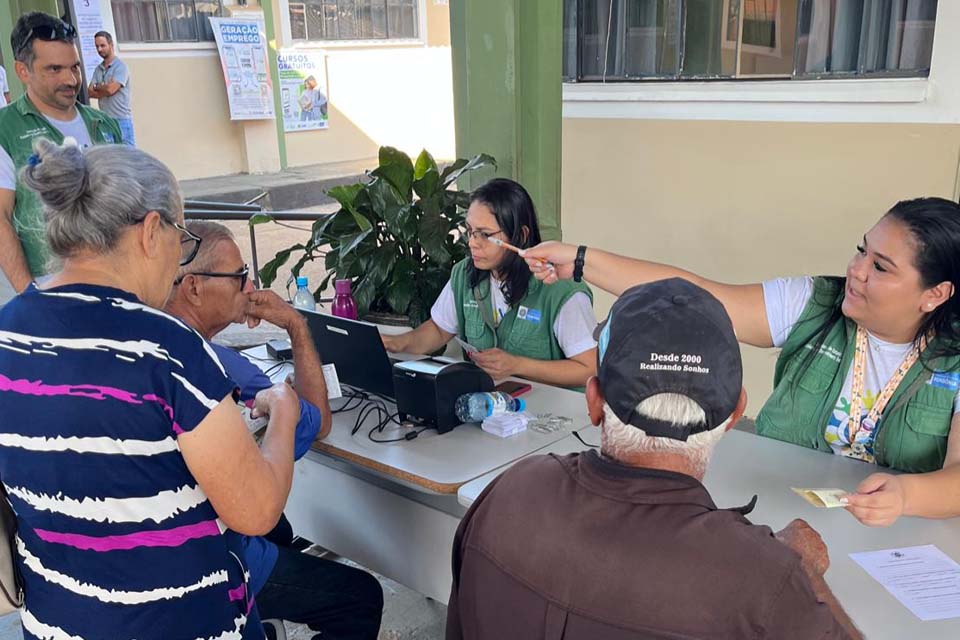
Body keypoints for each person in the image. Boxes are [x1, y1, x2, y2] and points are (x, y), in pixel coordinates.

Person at [0, 139, 299, 638]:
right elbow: (257, 509)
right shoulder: (166, 349)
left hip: (59, 622)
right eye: (180, 237)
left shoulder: (6, 332)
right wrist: (283, 412)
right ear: (151, 230)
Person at [447, 279, 861, 639]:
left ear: (594, 403)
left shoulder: (510, 492)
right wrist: (802, 571)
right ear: (736, 414)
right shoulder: (764, 581)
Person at [523, 197, 960, 527]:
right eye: (861, 251)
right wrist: (582, 260)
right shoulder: (813, 303)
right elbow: (693, 296)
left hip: (892, 539)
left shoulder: (953, 358)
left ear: (934, 294)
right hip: (778, 512)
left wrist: (905, 495)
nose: (856, 270)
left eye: (881, 267)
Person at [165, 221, 384, 640]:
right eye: (240, 276)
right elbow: (318, 418)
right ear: (193, 287)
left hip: (175, 560)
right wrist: (296, 326)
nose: (249, 287)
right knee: (361, 596)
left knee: (281, 530)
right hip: (221, 561)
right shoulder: (222, 366)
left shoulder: (164, 347)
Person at [382, 178, 598, 389]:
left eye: (485, 235)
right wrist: (398, 343)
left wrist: (518, 365)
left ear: (520, 236)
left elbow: (589, 369)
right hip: (487, 409)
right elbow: (439, 330)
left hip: (554, 417)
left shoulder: (560, 288)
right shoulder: (465, 274)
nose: (472, 243)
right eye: (470, 231)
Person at [0, 12, 122, 305]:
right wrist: (30, 295)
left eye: (75, 67)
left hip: (113, 283)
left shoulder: (103, 123)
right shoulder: (6, 129)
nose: (71, 79)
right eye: (54, 69)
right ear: (23, 71)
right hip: (48, 289)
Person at [88, 30, 135, 146]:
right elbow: (90, 92)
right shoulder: (98, 69)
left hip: (121, 121)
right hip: (106, 121)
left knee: (129, 159)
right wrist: (103, 87)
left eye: (102, 45)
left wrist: (99, 88)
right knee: (112, 158)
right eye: (97, 46)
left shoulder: (120, 67)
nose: (99, 49)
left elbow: (111, 89)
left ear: (111, 45)